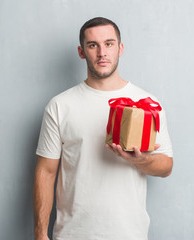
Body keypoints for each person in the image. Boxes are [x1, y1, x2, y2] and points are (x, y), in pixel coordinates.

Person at [33, 17, 173, 240]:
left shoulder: (147, 103)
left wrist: (141, 160)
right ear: (81, 52)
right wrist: (40, 234)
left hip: (129, 234)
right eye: (92, 45)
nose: (102, 53)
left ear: (120, 48)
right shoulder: (60, 105)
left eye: (109, 44)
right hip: (72, 234)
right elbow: (46, 172)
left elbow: (166, 166)